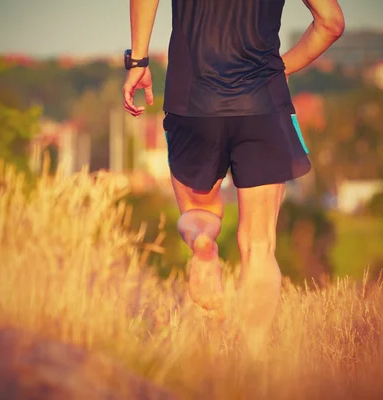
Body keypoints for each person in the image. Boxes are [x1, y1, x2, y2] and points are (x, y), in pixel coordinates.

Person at [123, 0, 345, 354]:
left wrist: (138, 61)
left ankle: (201, 243)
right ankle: (254, 363)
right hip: (263, 103)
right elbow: (331, 23)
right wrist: (280, 68)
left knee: (198, 214)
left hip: (191, 102)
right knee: (259, 245)